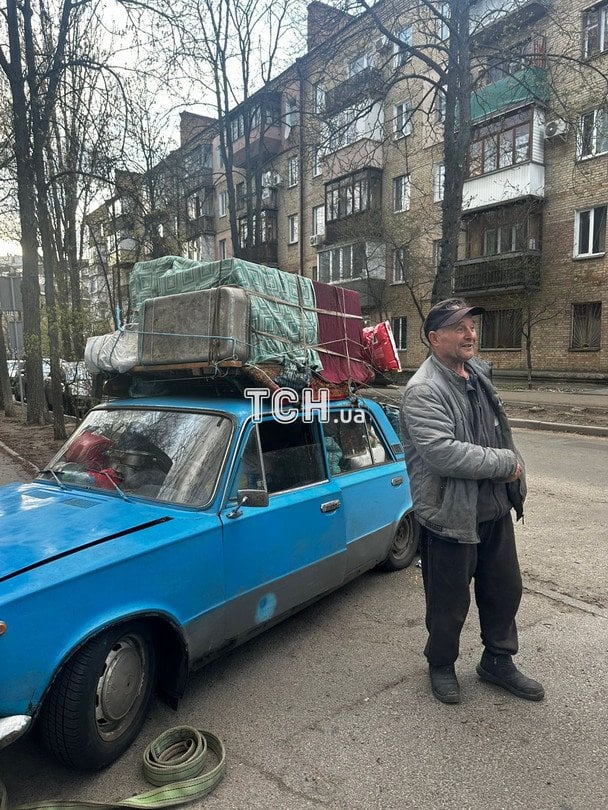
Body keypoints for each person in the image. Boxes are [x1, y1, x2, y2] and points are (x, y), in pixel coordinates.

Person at [400, 298, 544, 705]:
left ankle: (497, 660)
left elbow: (498, 433)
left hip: (493, 508)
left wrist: (513, 475)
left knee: (504, 590)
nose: (471, 334)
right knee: (448, 603)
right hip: (450, 515)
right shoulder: (424, 390)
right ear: (434, 338)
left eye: (472, 326)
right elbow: (443, 452)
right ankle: (441, 664)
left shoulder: (477, 373)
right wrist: (506, 464)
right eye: (459, 327)